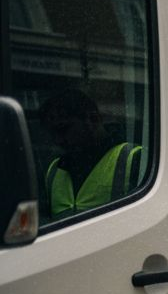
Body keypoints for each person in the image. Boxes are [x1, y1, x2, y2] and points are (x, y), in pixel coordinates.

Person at [39, 89, 143, 221]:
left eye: (64, 129)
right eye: (52, 133)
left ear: (93, 119)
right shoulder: (53, 171)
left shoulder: (132, 158)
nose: (58, 140)